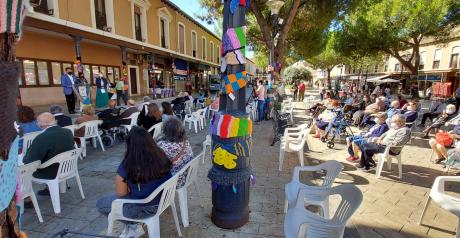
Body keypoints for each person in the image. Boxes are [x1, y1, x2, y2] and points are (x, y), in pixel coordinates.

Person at [96, 126, 172, 237]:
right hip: (163, 200)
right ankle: (133, 226)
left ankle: (134, 226)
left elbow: (121, 193)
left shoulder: (128, 163)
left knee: (101, 204)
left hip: (144, 208)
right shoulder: (160, 154)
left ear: (130, 145)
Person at [23, 113, 75, 180]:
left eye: (37, 121)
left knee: (23, 167)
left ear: (41, 124)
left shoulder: (42, 137)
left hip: (50, 172)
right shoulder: (68, 131)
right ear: (54, 121)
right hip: (68, 167)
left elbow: (29, 160)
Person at [157, 118, 194, 188]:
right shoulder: (185, 141)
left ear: (165, 131)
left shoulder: (162, 145)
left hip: (175, 180)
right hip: (188, 175)